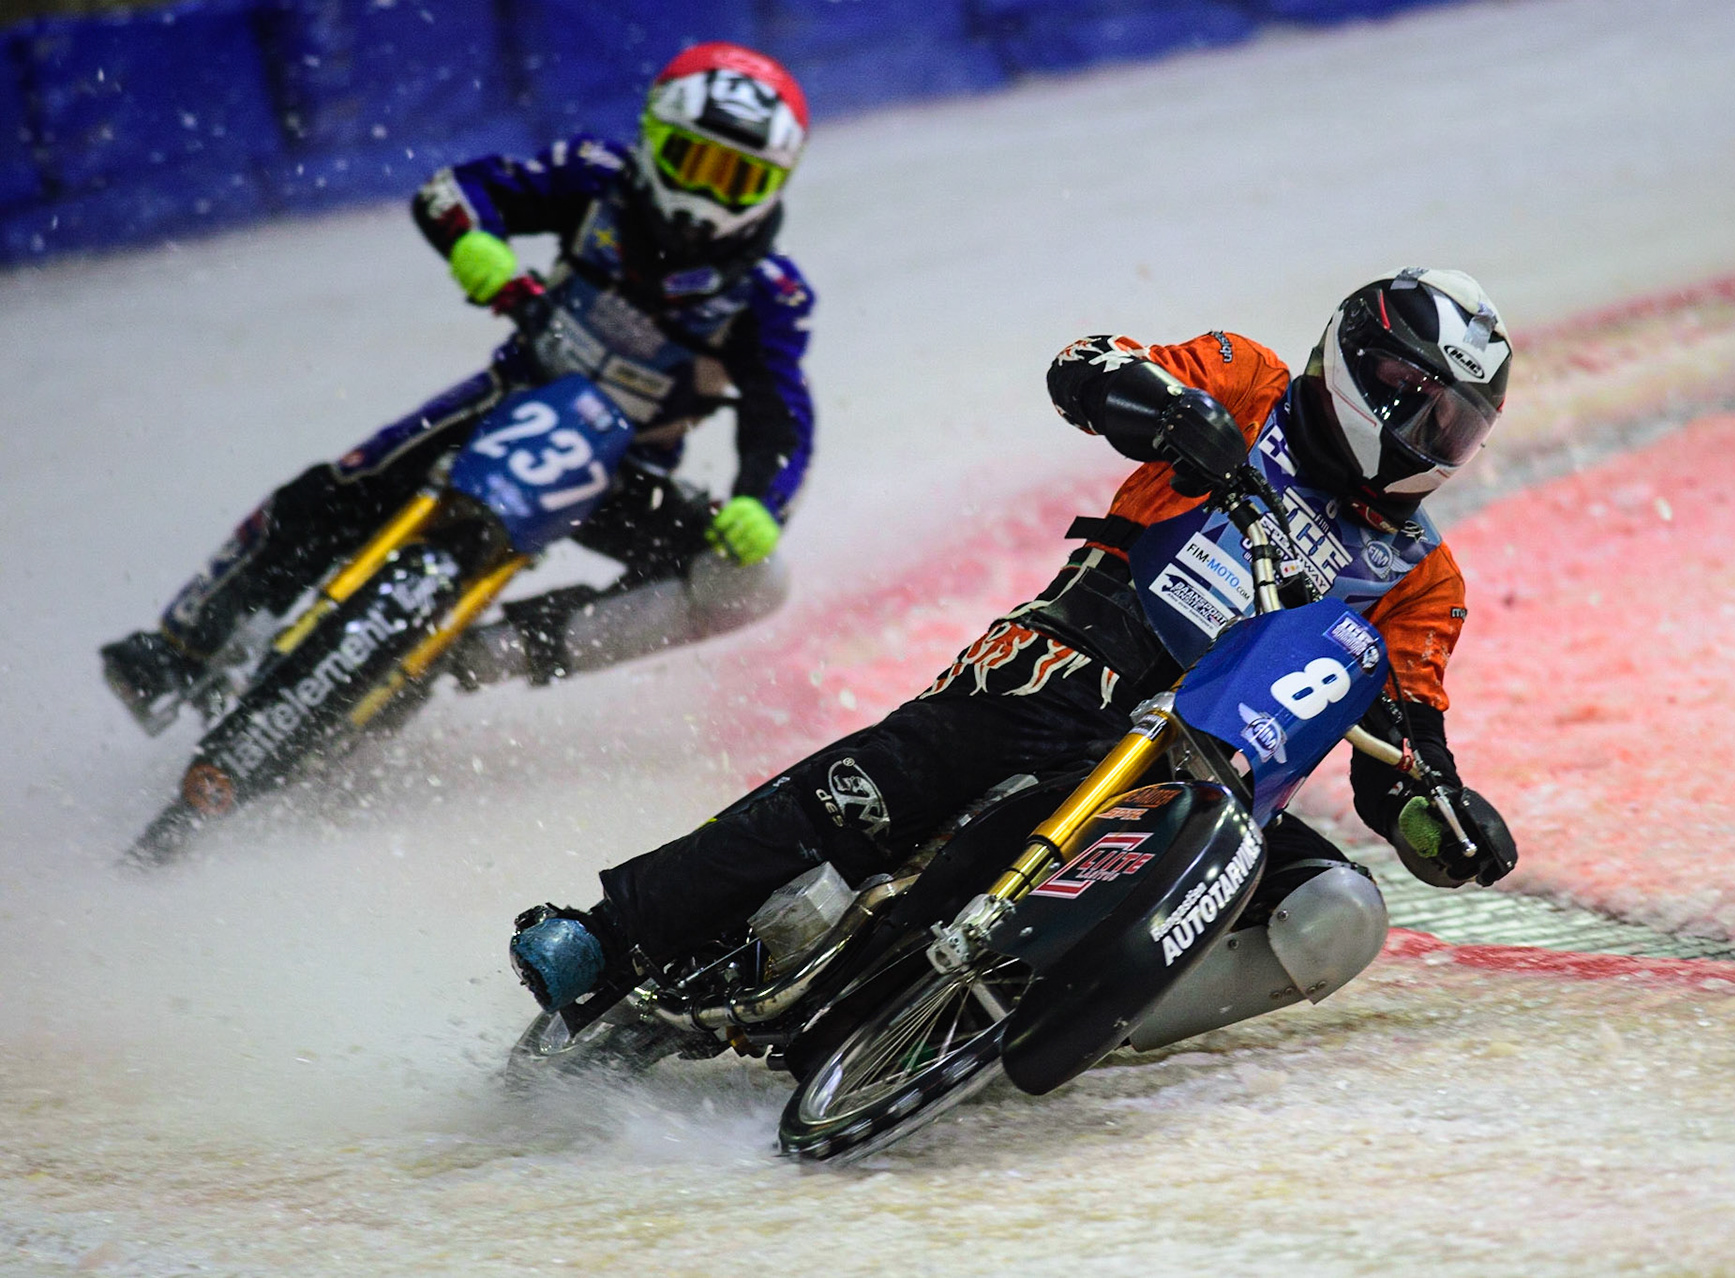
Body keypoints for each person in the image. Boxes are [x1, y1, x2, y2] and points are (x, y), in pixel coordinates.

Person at [509, 268, 1522, 1015]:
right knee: (875, 787)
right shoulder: (1248, 381)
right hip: (1074, 659)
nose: (1425, 434)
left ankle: (1098, 1020)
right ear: (1355, 358)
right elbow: (1086, 365)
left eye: (1453, 424)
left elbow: (1403, 745)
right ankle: (611, 933)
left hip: (1216, 771)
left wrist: (1437, 815)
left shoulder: (1425, 577)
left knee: (1340, 911)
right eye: (1415, 395)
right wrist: (1169, 410)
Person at [101, 41, 817, 731]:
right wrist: (475, 241)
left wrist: (762, 501)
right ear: (653, 141)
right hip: (509, 398)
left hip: (624, 473)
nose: (705, 195)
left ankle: (484, 653)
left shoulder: (769, 295)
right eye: (693, 161)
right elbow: (457, 190)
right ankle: (181, 647)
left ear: (773, 187)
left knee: (750, 581)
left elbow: (781, 413)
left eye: (737, 179)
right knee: (339, 491)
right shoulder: (594, 177)